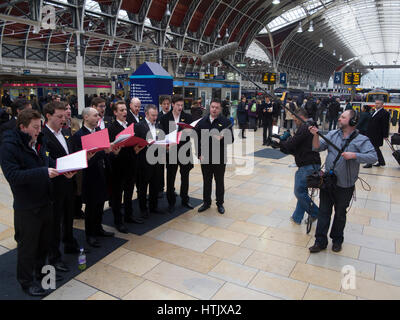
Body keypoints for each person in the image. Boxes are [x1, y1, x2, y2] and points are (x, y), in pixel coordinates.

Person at [0, 109, 60, 296]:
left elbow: (47, 161)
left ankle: (43, 276)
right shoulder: (9, 146)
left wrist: (62, 167)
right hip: (28, 207)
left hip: (45, 201)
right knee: (28, 248)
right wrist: (44, 172)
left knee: (44, 244)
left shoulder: (38, 141)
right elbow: (13, 176)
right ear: (22, 127)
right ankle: (26, 282)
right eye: (35, 127)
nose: (39, 130)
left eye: (40, 126)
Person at [308, 110, 378, 253]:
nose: (339, 119)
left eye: (343, 117)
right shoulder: (332, 134)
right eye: (340, 116)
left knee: (340, 214)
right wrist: (315, 135)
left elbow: (373, 157)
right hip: (328, 183)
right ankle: (320, 241)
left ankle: (337, 240)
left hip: (345, 185)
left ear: (352, 121)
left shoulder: (362, 140)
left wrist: (354, 155)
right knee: (323, 212)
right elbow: (316, 147)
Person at [42, 101, 79, 273]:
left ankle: (69, 242)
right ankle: (54, 256)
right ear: (48, 116)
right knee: (55, 222)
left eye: (64, 116)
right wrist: (62, 170)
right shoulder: (42, 136)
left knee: (69, 215)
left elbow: (69, 153)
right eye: (59, 117)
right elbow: (45, 160)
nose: (63, 120)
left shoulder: (65, 132)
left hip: (69, 181)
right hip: (54, 185)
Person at [72, 107, 116, 248]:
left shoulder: (99, 132)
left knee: (100, 204)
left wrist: (108, 151)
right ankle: (90, 234)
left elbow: (103, 152)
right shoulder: (79, 135)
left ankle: (98, 228)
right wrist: (102, 152)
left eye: (98, 116)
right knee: (91, 207)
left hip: (102, 172)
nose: (98, 118)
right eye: (95, 115)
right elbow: (81, 159)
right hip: (88, 176)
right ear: (85, 117)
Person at [277, 109, 321, 224]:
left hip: (308, 165)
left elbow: (292, 144)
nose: (294, 121)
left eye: (295, 118)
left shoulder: (305, 127)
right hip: (310, 163)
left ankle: (316, 212)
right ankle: (297, 217)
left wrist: (280, 143)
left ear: (300, 116)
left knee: (299, 192)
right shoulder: (311, 125)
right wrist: (283, 146)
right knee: (303, 192)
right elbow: (298, 148)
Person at [108, 101, 144, 233]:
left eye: (125, 110)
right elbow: (111, 149)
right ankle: (118, 221)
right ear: (115, 112)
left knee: (129, 193)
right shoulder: (111, 128)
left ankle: (129, 215)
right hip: (118, 167)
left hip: (131, 164)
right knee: (118, 196)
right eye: (121, 110)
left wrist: (137, 148)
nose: (124, 112)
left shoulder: (130, 125)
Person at [195, 98, 234, 214]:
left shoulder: (226, 122)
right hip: (205, 157)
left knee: (219, 181)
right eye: (212, 107)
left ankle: (220, 203)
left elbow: (231, 139)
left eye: (217, 108)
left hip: (220, 157)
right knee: (206, 181)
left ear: (220, 109)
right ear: (209, 107)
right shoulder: (202, 122)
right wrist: (199, 154)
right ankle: (206, 202)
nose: (214, 109)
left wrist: (222, 138)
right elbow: (196, 139)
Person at [159, 94, 194, 213]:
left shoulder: (188, 117)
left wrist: (190, 132)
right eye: (178, 105)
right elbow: (161, 135)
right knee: (170, 177)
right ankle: (171, 202)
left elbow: (193, 132)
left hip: (185, 151)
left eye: (182, 105)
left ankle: (185, 200)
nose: (180, 107)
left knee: (185, 177)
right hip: (171, 151)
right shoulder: (164, 118)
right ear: (172, 104)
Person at [134, 104, 163, 217]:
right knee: (142, 187)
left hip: (156, 160)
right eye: (152, 115)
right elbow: (135, 143)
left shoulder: (159, 126)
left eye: (156, 115)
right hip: (143, 161)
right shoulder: (138, 126)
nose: (155, 118)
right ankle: (143, 209)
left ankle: (153, 206)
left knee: (155, 185)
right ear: (146, 114)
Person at [364, 99, 390, 168]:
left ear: (382, 104)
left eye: (378, 103)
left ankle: (369, 163)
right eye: (375, 103)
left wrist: (385, 135)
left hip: (377, 134)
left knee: (372, 148)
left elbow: (385, 125)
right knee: (375, 149)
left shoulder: (384, 113)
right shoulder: (374, 111)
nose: (376, 105)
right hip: (371, 133)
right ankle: (381, 162)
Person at [156, 95, 172, 196]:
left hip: (171, 146)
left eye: (168, 104)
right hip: (161, 146)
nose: (166, 106)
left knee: (171, 169)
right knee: (160, 168)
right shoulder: (157, 116)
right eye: (164, 104)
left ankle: (171, 188)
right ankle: (160, 188)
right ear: (161, 105)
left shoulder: (173, 116)